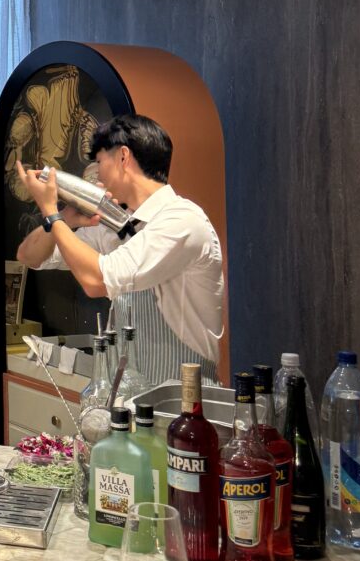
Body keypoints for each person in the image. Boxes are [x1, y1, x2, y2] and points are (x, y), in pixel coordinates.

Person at [15, 114, 224, 385]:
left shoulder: (181, 221)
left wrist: (50, 211)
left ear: (123, 157)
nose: (98, 174)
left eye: (100, 162)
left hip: (182, 403)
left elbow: (96, 280)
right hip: (131, 400)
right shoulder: (117, 227)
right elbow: (29, 256)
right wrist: (63, 218)